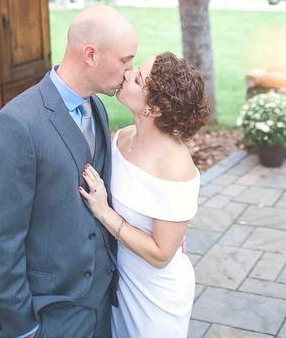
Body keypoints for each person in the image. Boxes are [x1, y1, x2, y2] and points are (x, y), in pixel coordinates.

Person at [0, 5, 137, 338]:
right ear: (90, 54)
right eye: (125, 60)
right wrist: (22, 325)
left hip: (100, 303)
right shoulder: (15, 125)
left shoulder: (98, 107)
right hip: (49, 313)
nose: (129, 71)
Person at [79, 52, 209, 338]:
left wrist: (104, 212)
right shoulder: (122, 137)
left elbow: (162, 254)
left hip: (155, 293)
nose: (127, 74)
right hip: (118, 278)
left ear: (154, 108)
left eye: (137, 79)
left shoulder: (176, 168)